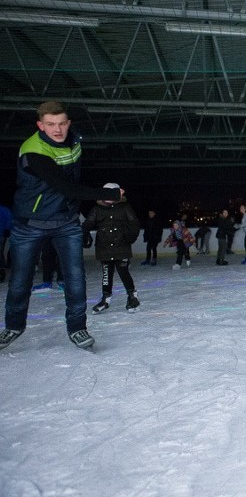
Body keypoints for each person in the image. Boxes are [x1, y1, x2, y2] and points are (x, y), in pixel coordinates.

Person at [1, 101, 122, 351]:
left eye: (61, 124)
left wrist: (85, 200)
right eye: (50, 124)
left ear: (68, 123)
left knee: (75, 278)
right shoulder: (33, 151)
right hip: (30, 223)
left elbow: (72, 181)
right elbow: (65, 186)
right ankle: (13, 326)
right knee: (20, 280)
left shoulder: (74, 142)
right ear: (40, 125)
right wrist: (109, 194)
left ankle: (77, 328)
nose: (57, 130)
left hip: (65, 221)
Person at [82, 183, 141, 313]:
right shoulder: (97, 209)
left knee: (123, 271)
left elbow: (134, 223)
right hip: (104, 247)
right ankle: (105, 299)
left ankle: (133, 297)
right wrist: (83, 234)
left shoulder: (124, 207)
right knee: (106, 273)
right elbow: (88, 223)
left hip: (122, 245)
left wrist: (130, 238)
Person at [0, 203, 11, 283]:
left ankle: (1, 271)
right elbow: (9, 220)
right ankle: (1, 271)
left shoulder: (3, 209)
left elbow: (9, 220)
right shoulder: (4, 209)